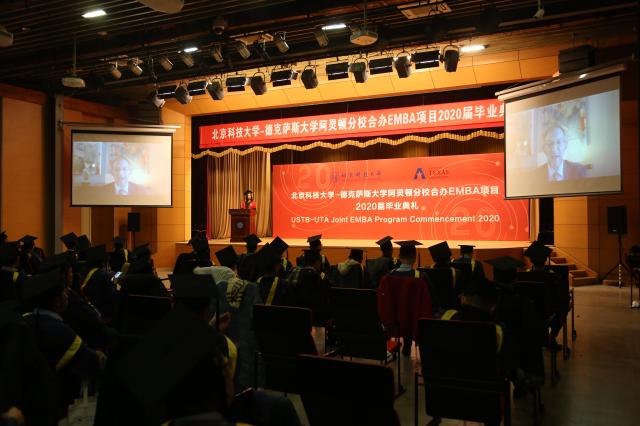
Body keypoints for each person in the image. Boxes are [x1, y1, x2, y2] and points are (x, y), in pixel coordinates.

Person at [21, 270, 105, 418]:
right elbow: (91, 362)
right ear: (56, 301)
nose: (68, 296)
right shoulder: (61, 332)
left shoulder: (25, 320)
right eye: (65, 293)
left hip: (27, 398)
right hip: (55, 402)